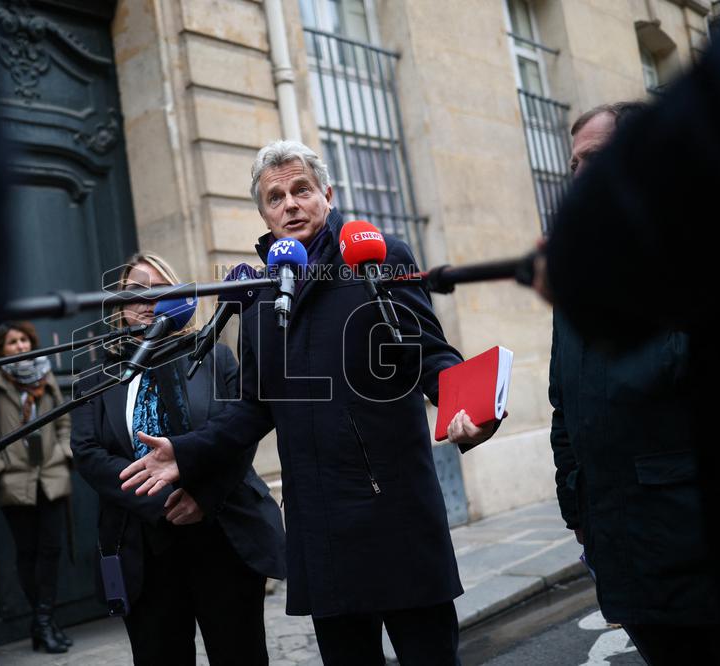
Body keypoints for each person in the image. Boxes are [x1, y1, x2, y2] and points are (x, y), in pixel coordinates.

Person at [119, 141, 500, 665]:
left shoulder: (378, 256)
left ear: (327, 193)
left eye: (301, 190)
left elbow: (427, 354)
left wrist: (465, 406)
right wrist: (185, 452)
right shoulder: (256, 296)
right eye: (275, 197)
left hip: (396, 511)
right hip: (320, 523)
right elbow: (253, 406)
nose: (290, 204)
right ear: (264, 214)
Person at [548, 102, 720, 666]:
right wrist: (577, 511)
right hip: (624, 554)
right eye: (575, 165)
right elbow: (565, 406)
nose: (583, 178)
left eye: (596, 160)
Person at [71, 252, 286, 666]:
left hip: (222, 532)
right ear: (119, 306)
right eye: (135, 292)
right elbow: (88, 453)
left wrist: (200, 496)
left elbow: (238, 436)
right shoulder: (95, 376)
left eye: (159, 288)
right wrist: (159, 496)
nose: (147, 300)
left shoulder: (214, 356)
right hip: (144, 546)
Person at [0, 321, 73, 653]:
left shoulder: (45, 374)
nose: (20, 346)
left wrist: (63, 452)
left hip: (50, 475)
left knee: (51, 549)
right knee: (27, 553)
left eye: (24, 340)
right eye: (12, 342)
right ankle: (46, 623)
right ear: (1, 349)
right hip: (14, 482)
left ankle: (43, 622)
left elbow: (64, 419)